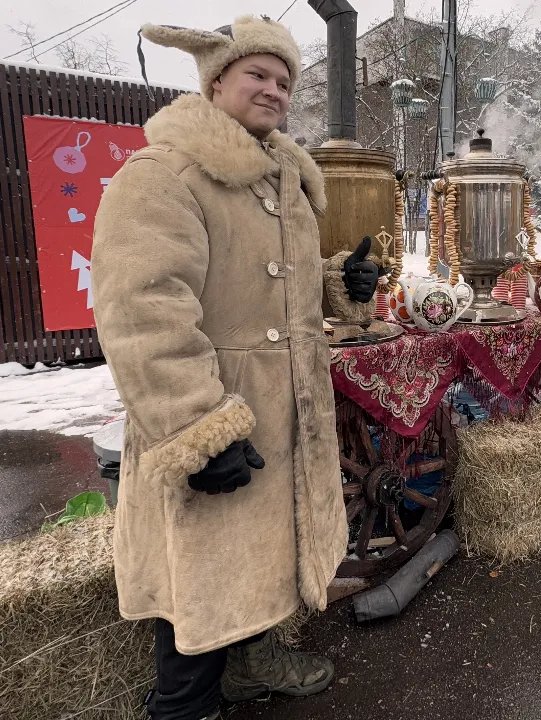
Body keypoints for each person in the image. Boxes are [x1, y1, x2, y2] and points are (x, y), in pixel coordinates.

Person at [92, 16, 382, 720]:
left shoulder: (277, 178)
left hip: (279, 410)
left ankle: (253, 665)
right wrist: (197, 424)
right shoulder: (163, 173)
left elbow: (268, 281)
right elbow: (143, 306)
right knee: (201, 568)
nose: (274, 90)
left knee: (258, 553)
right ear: (215, 79)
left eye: (285, 81)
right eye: (258, 74)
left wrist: (339, 280)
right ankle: (183, 706)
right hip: (212, 407)